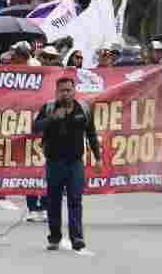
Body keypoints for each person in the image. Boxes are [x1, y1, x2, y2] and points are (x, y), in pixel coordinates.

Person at [32, 76, 102, 251]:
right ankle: (54, 237)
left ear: (74, 91)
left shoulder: (83, 109)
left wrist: (98, 158)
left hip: (75, 163)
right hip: (54, 163)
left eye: (68, 90)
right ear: (57, 92)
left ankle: (77, 238)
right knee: (53, 201)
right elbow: (35, 128)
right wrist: (53, 118)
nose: (65, 94)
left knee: (75, 200)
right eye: (62, 91)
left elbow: (91, 134)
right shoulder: (49, 108)